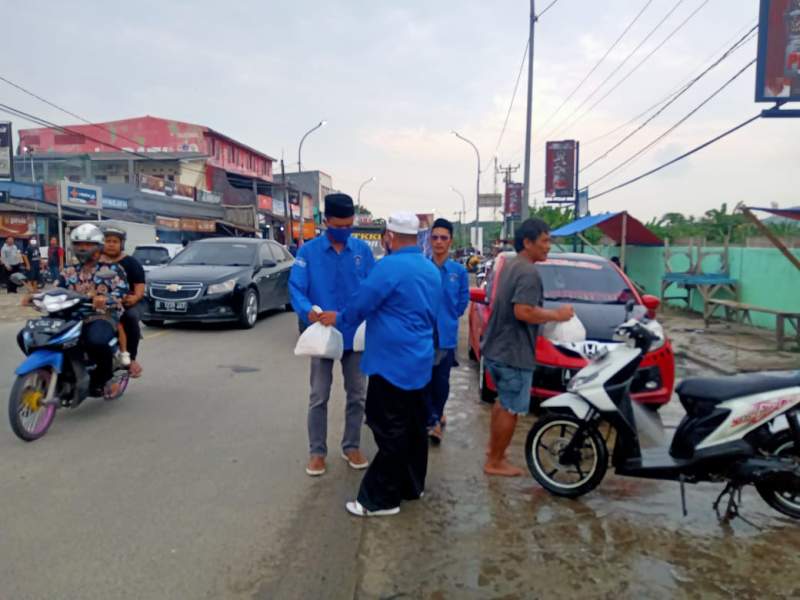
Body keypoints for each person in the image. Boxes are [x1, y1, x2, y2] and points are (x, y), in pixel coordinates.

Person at [326, 212, 441, 517]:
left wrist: (338, 318)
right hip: (419, 359)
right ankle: (412, 486)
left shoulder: (389, 267)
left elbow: (360, 305)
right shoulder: (430, 269)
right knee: (415, 427)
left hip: (391, 363)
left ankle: (380, 499)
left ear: (389, 236)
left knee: (388, 428)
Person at [289, 193, 376, 477]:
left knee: (358, 395)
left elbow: (371, 291)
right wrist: (309, 312)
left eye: (349, 225)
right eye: (339, 225)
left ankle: (351, 445)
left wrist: (350, 315)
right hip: (323, 335)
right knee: (318, 396)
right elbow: (296, 288)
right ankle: (317, 452)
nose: (344, 230)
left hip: (354, 335)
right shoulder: (308, 253)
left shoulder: (362, 251)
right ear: (326, 222)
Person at [481, 218, 574, 477]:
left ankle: (494, 452)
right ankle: (495, 462)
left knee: (502, 403)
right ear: (527, 242)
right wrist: (558, 315)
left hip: (497, 349)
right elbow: (523, 311)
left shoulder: (512, 265)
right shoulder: (529, 272)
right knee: (512, 408)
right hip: (513, 352)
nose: (548, 247)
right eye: (544, 241)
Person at [21, 223, 129, 397]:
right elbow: (56, 290)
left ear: (98, 246)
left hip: (99, 316)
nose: (82, 248)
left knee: (97, 341)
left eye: (87, 244)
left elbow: (121, 291)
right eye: (79, 244)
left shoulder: (113, 269)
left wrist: (105, 298)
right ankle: (56, 370)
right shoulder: (68, 270)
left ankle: (105, 378)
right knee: (26, 335)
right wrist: (35, 296)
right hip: (67, 316)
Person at [425, 218, 469, 445]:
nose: (439, 242)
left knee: (441, 381)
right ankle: (432, 419)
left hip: (446, 335)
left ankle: (435, 417)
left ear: (450, 241)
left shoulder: (458, 272)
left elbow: (462, 302)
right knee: (424, 380)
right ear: (429, 240)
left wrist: (449, 318)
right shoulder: (423, 268)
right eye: (435, 237)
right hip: (422, 335)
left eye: (443, 238)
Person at [101, 226, 146, 378]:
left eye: (115, 241)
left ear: (122, 244)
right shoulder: (94, 261)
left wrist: (134, 298)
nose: (111, 244)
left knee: (131, 318)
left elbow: (139, 287)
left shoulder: (132, 263)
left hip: (125, 302)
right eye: (108, 241)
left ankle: (130, 359)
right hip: (99, 303)